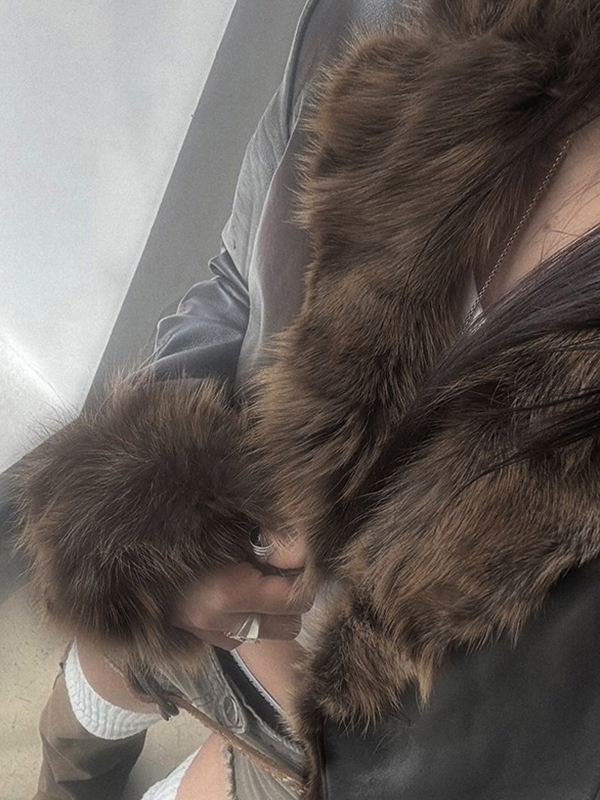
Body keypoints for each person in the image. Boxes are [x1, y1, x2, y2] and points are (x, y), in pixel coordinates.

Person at [17, 0, 600, 798]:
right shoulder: (375, 14)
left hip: (371, 752)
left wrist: (301, 722)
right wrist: (166, 507)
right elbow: (236, 283)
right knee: (79, 721)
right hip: (204, 580)